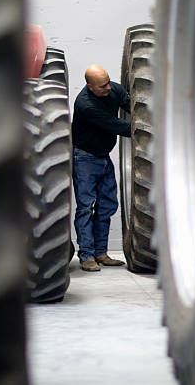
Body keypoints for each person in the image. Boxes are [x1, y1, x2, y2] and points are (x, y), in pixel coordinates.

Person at [72, 65, 131, 271]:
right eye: (102, 85)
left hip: (103, 158)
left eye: (108, 81)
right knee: (86, 207)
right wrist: (144, 128)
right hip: (85, 159)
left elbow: (129, 103)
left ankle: (101, 253)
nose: (108, 87)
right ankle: (87, 256)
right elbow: (116, 125)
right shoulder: (85, 104)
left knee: (107, 205)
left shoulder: (112, 89)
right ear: (90, 86)